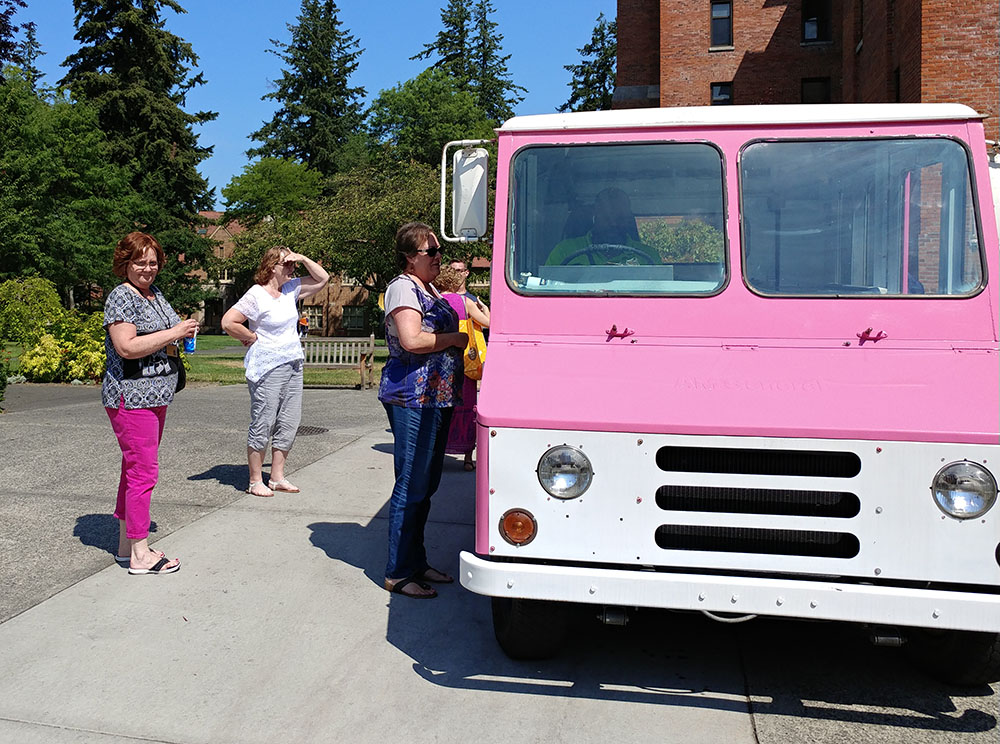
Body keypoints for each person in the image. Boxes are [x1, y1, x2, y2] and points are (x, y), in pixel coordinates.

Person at [379, 222, 468, 599]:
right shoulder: (403, 287)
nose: (438, 258)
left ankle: (417, 561)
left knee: (426, 484)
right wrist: (456, 338)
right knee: (411, 484)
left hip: (436, 396)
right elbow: (412, 340)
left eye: (438, 251)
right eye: (431, 252)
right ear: (410, 257)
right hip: (411, 397)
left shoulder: (427, 287)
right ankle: (398, 572)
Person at [103, 232, 199, 575]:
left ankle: (126, 546)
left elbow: (169, 328)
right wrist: (174, 333)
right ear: (125, 263)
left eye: (153, 262)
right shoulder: (121, 297)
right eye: (140, 262)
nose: (147, 268)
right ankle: (141, 556)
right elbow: (126, 347)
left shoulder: (154, 294)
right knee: (144, 472)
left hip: (157, 395)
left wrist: (184, 329)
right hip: (131, 397)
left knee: (133, 470)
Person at [221, 247, 329, 497]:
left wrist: (301, 257)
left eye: (293, 265)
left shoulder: (291, 289)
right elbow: (229, 321)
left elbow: (323, 279)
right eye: (287, 264)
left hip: (293, 363)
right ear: (272, 267)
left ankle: (277, 477)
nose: (292, 269)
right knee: (264, 421)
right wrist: (250, 336)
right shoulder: (256, 294)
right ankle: (255, 480)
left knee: (289, 422)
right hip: (267, 367)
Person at [433, 264, 490, 471]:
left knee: (441, 409)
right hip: (463, 363)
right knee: (466, 409)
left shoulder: (435, 301)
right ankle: (467, 457)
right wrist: (486, 310)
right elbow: (488, 323)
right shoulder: (465, 302)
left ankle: (438, 454)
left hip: (439, 364)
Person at [546, 187, 660, 266]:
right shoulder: (564, 251)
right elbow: (546, 293)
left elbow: (660, 297)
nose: (613, 223)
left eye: (619, 218)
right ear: (595, 216)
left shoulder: (649, 256)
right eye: (607, 217)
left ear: (628, 219)